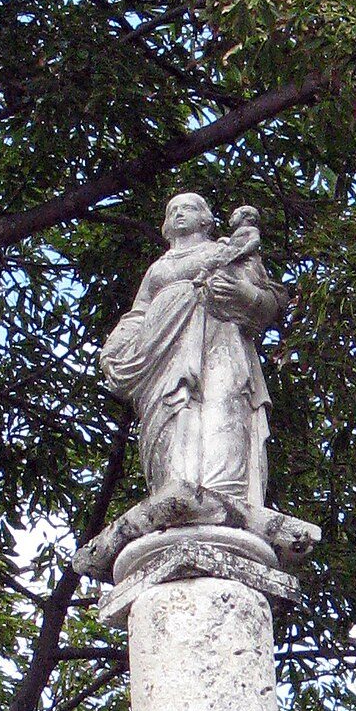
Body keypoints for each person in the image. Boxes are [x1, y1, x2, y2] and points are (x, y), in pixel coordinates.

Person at [99, 193, 288, 511]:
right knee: (170, 417)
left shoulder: (225, 251)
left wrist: (245, 294)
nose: (178, 213)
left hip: (217, 342)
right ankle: (176, 491)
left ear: (205, 219)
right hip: (160, 355)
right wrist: (115, 347)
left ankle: (225, 499)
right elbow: (137, 315)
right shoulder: (158, 269)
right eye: (172, 210)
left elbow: (271, 302)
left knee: (222, 407)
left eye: (188, 208)